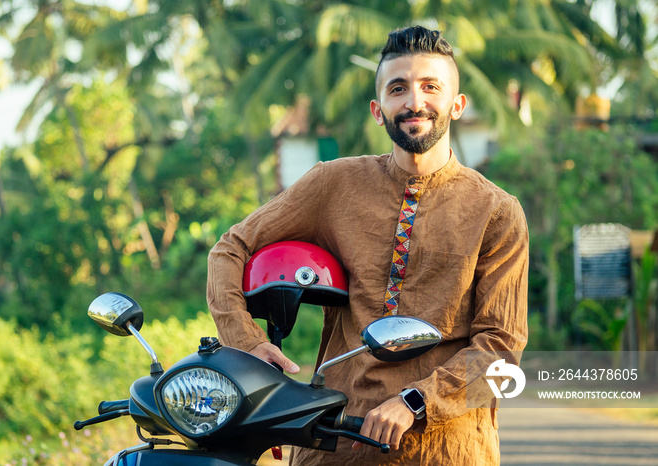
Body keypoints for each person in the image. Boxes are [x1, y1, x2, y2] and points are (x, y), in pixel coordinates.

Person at [207, 25, 528, 465]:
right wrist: (245, 342)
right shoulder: (333, 183)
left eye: (430, 87)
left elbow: (500, 347)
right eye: (399, 89)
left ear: (457, 105)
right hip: (332, 442)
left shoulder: (497, 211)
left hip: (447, 451)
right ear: (378, 110)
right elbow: (231, 249)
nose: (415, 102)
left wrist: (415, 402)